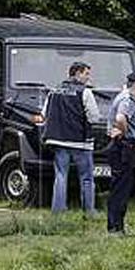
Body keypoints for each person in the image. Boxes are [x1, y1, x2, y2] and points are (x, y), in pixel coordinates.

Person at [38, 62, 99, 214]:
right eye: (86, 74)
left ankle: (58, 210)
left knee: (60, 175)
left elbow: (45, 114)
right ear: (77, 73)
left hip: (58, 140)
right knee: (86, 177)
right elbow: (94, 117)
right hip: (80, 142)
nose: (88, 77)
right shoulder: (85, 92)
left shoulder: (53, 91)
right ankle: (89, 210)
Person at [106, 72, 135, 234]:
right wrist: (124, 132)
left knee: (120, 186)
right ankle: (115, 227)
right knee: (121, 188)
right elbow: (120, 118)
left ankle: (117, 225)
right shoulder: (128, 100)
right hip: (124, 147)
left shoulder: (124, 96)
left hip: (121, 146)